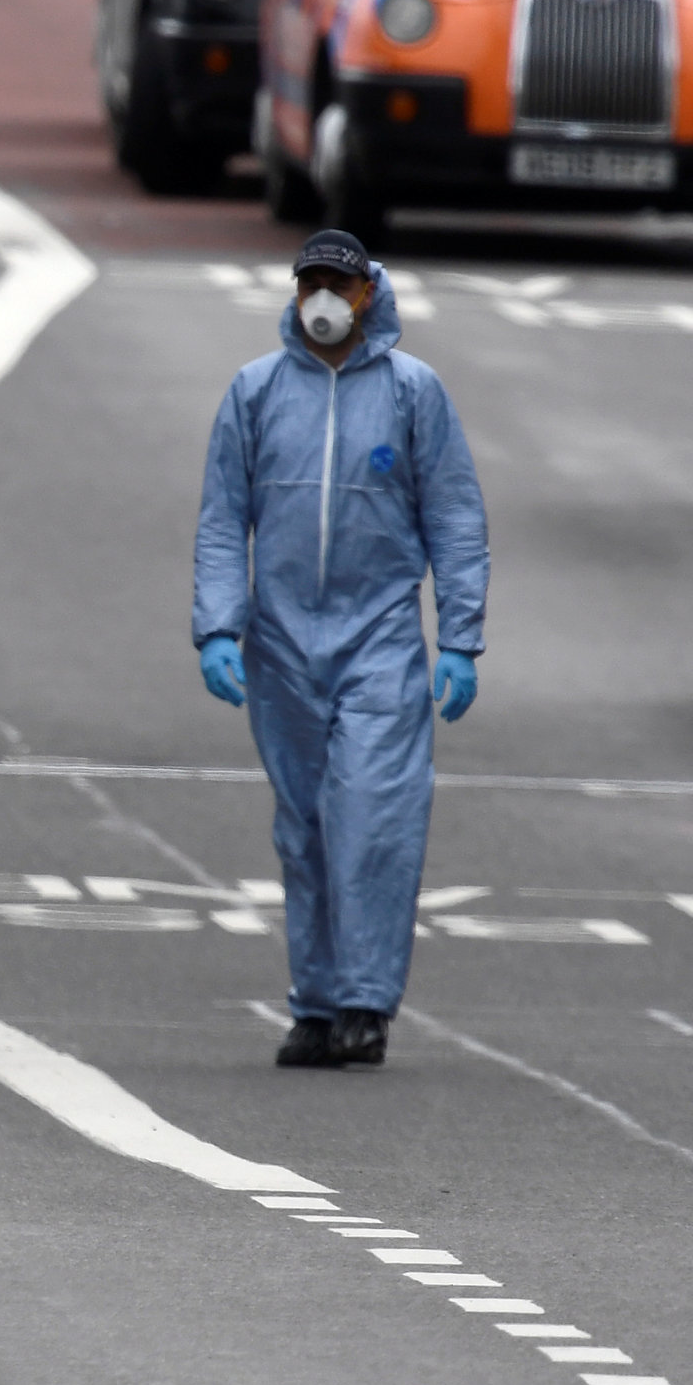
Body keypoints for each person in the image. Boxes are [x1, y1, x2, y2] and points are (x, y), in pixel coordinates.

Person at [193, 230, 487, 1070]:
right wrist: (220, 625)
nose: (323, 299)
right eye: (310, 283)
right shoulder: (255, 393)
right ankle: (316, 1004)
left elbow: (455, 520)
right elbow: (223, 519)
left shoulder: (411, 393)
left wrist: (460, 636)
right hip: (281, 644)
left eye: (338, 285)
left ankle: (366, 999)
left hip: (379, 640)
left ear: (368, 295)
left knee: (373, 821)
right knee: (306, 827)